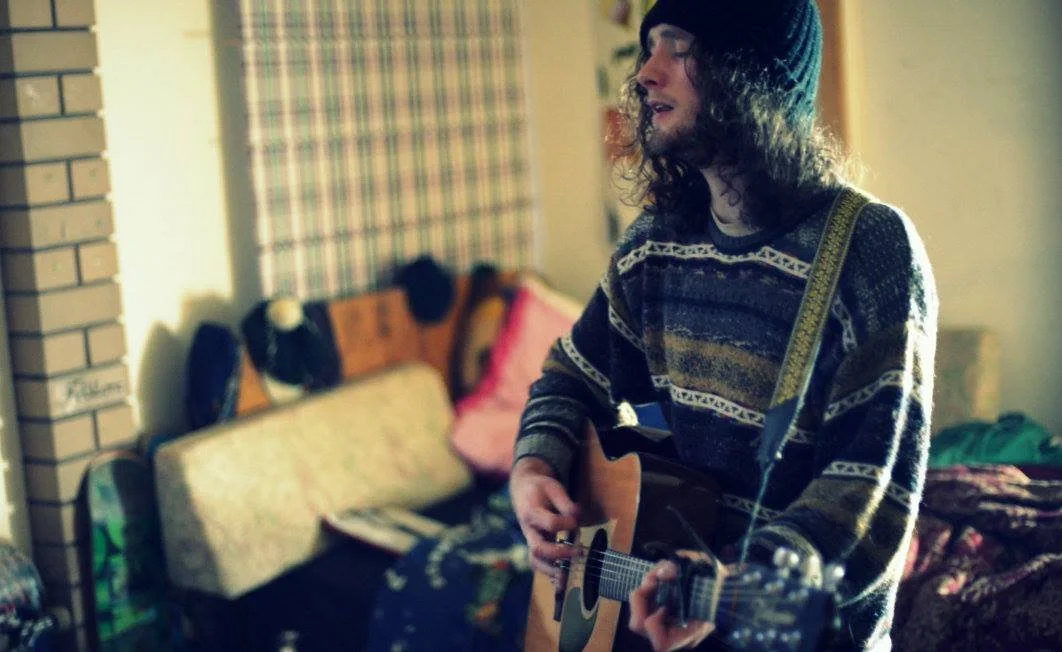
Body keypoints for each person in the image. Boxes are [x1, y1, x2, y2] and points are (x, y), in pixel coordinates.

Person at [509, 0, 938, 650]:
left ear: (750, 75)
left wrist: (737, 581)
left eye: (678, 48)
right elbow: (576, 380)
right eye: (648, 46)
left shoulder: (868, 249)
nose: (646, 73)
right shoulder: (654, 244)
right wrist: (534, 468)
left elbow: (865, 493)